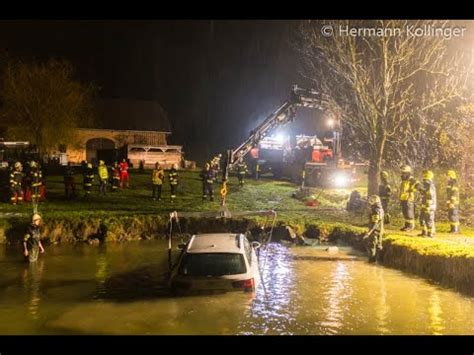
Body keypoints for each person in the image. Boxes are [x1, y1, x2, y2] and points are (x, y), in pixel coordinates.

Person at [363, 195, 384, 262]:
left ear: (374, 201)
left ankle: (371, 262)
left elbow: (375, 222)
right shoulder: (380, 209)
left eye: (371, 200)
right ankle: (379, 262)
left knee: (372, 246)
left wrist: (369, 232)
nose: (369, 202)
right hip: (379, 230)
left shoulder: (375, 210)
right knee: (378, 245)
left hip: (375, 231)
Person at [399, 165, 418, 231]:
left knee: (409, 212)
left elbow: (417, 185)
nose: (402, 174)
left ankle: (411, 226)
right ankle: (407, 225)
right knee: (405, 212)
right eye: (402, 172)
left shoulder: (411, 179)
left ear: (407, 172)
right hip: (403, 198)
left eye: (404, 172)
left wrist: (412, 190)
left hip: (408, 198)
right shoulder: (404, 179)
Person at [418, 170, 436, 238]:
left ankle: (430, 233)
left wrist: (428, 206)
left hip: (429, 206)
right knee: (422, 219)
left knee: (429, 219)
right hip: (425, 205)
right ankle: (424, 232)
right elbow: (424, 193)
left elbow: (430, 196)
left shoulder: (429, 185)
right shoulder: (426, 184)